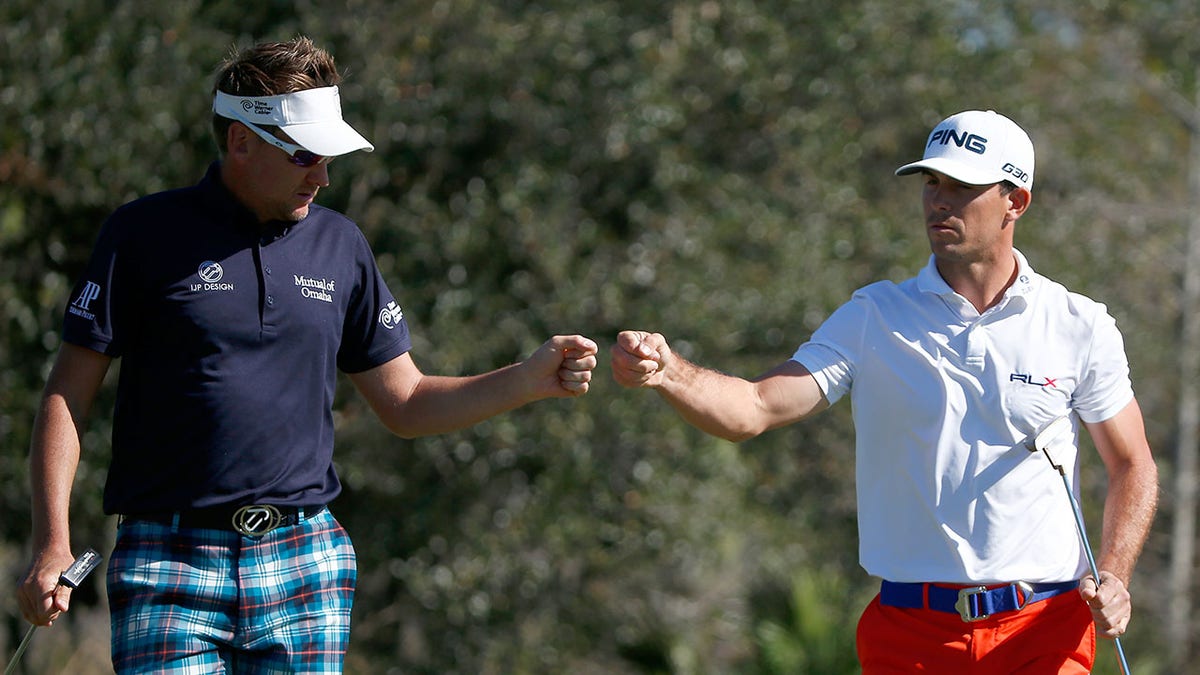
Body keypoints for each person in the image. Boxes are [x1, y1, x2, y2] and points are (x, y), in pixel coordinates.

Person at [17, 36, 597, 673]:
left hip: (305, 559)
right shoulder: (142, 234)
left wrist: (527, 378)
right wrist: (53, 543)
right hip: (167, 558)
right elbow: (67, 396)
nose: (321, 175)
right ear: (241, 141)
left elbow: (405, 403)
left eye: (329, 158)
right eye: (304, 156)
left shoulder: (341, 245)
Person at [611, 110, 1158, 673]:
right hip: (910, 636)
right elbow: (754, 409)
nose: (938, 201)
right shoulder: (875, 316)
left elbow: (1131, 462)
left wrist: (1114, 574)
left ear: (1015, 202)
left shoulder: (1079, 324)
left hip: (1045, 628)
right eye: (931, 183)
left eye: (962, 187)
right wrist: (668, 371)